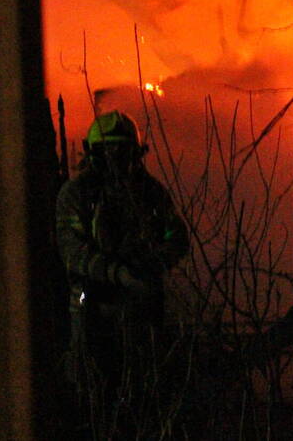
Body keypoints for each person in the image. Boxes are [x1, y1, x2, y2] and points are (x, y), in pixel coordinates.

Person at [56, 110, 189, 419]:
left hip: (140, 305)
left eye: (123, 152)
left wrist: (150, 266)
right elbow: (72, 250)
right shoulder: (76, 193)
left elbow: (177, 237)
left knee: (145, 389)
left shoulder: (150, 193)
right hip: (90, 303)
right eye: (109, 152)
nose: (116, 161)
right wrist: (115, 273)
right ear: (93, 153)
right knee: (92, 388)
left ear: (136, 154)